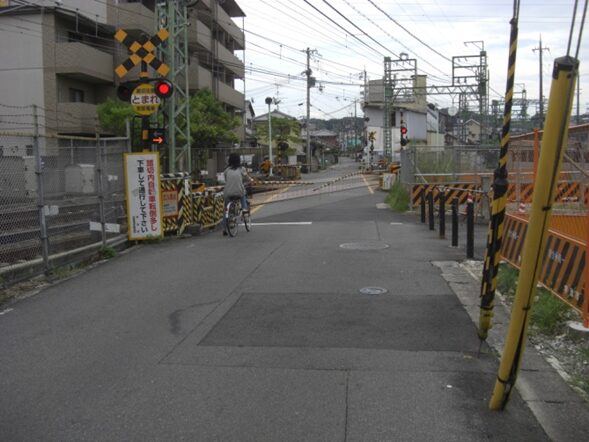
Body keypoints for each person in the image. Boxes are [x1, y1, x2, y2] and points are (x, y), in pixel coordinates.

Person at [223, 153, 252, 235]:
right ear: (239, 160)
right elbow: (247, 177)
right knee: (243, 194)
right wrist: (251, 179)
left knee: (226, 209)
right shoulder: (241, 169)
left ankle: (225, 228)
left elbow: (226, 180)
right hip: (239, 191)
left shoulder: (226, 170)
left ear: (229, 161)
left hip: (228, 192)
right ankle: (244, 210)